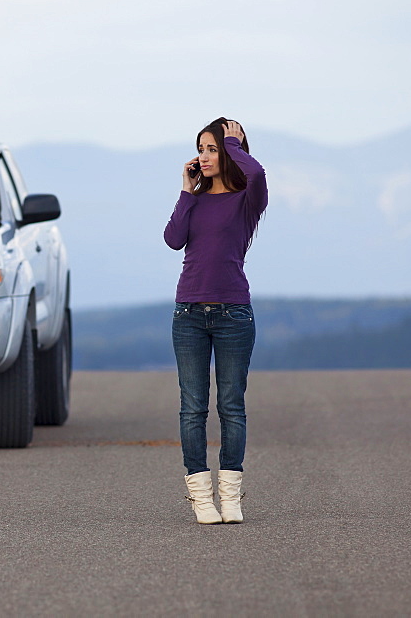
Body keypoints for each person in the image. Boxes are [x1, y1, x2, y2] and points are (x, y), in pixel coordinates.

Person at [163, 117, 268, 524]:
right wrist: (187, 191)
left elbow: (255, 172)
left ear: (228, 152)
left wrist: (231, 142)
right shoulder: (196, 199)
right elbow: (173, 239)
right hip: (188, 312)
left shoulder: (247, 199)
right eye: (201, 149)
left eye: (212, 149)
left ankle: (231, 497)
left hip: (233, 314)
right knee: (192, 409)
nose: (204, 156)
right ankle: (200, 496)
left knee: (231, 406)